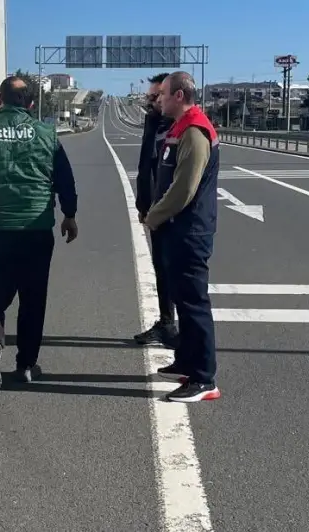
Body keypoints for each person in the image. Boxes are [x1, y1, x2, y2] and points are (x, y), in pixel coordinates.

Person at [0, 75, 79, 393]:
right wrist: (69, 214)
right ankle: (25, 365)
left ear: (0, 100)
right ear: (31, 104)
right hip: (35, 230)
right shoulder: (47, 133)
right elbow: (64, 178)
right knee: (33, 299)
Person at [144, 71, 221, 403]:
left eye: (162, 94)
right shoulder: (179, 127)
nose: (158, 100)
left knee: (193, 303)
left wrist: (154, 216)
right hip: (177, 229)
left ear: (178, 96)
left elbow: (184, 189)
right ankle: (188, 361)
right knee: (183, 298)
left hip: (189, 230)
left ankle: (204, 378)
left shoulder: (194, 131)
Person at [134, 73, 179, 349]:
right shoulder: (154, 123)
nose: (151, 101)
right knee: (160, 267)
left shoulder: (176, 128)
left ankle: (177, 332)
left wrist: (161, 209)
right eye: (149, 96)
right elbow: (146, 167)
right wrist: (143, 204)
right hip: (155, 209)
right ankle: (166, 323)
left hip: (171, 212)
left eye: (156, 96)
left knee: (173, 270)